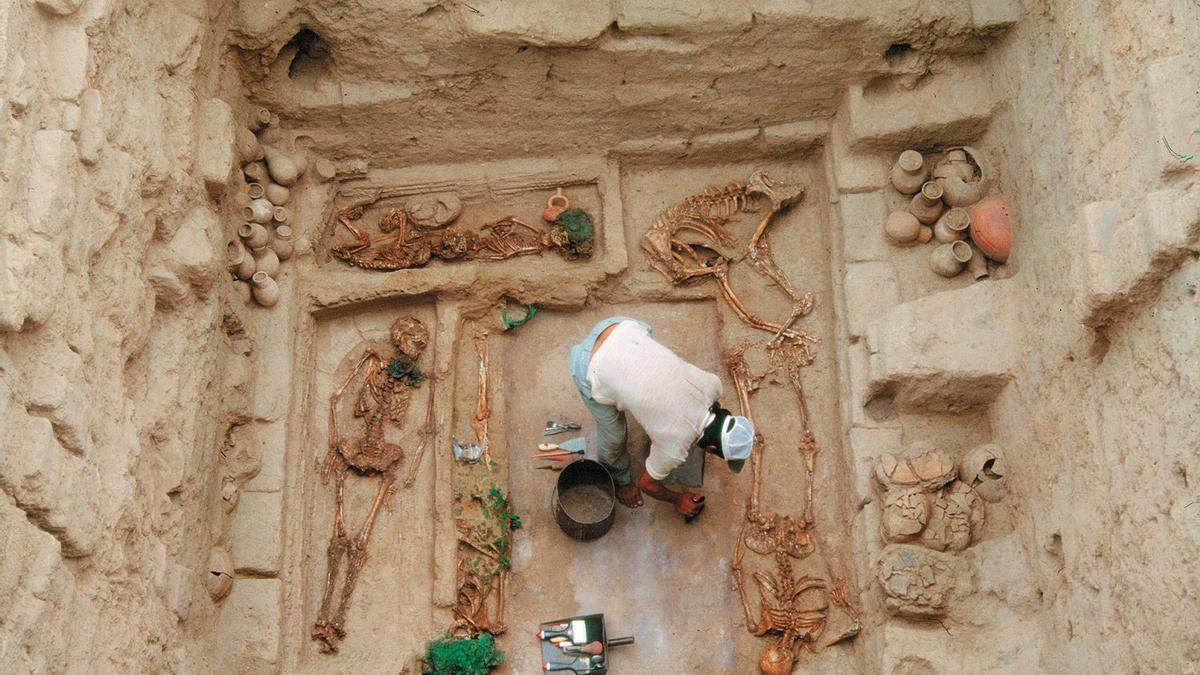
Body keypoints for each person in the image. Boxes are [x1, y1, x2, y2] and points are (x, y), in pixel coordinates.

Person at [568, 316, 755, 520]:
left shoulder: (713, 385)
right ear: (710, 448)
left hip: (619, 326)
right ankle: (620, 480)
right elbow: (646, 484)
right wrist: (677, 499)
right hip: (587, 365)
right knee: (614, 438)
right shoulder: (674, 450)